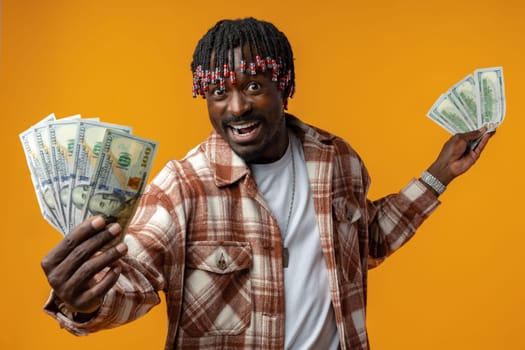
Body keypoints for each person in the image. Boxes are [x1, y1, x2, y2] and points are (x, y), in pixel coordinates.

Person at [41, 17, 493, 350]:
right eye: (219, 93)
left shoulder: (336, 160)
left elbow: (366, 242)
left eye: (253, 86)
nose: (236, 107)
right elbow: (133, 284)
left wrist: (439, 175)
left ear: (284, 85)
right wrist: (82, 303)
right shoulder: (183, 187)